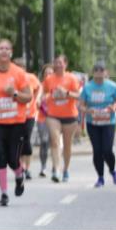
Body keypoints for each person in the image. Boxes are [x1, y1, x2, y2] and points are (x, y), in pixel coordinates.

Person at [0, 40, 32, 206]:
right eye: (0, 48)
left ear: (11, 53)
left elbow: (28, 97)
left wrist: (14, 93)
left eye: (7, 48)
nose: (3, 51)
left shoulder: (19, 73)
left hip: (16, 121)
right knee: (0, 156)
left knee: (13, 159)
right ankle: (3, 193)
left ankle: (19, 174)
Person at [79, 62, 116, 187]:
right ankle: (100, 177)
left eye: (102, 70)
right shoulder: (88, 87)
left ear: (106, 72)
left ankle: (113, 171)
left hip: (108, 122)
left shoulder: (112, 86)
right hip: (92, 122)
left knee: (107, 150)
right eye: (96, 70)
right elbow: (81, 105)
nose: (99, 72)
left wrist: (115, 107)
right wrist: (88, 110)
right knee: (97, 151)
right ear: (93, 72)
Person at [43, 54, 82, 182]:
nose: (58, 65)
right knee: (54, 140)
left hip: (70, 115)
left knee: (67, 145)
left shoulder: (71, 78)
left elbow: (78, 96)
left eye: (60, 62)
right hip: (53, 115)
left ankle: (65, 169)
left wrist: (66, 93)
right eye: (56, 62)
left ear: (65, 64)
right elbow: (44, 94)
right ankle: (56, 169)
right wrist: (51, 95)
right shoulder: (49, 79)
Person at [19, 60, 43, 180]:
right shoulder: (11, 79)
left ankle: (27, 168)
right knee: (18, 140)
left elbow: (40, 88)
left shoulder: (31, 78)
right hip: (16, 115)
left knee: (26, 139)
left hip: (30, 114)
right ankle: (21, 167)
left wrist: (37, 98)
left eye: (21, 68)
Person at [36, 63, 54, 177]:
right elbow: (37, 99)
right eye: (46, 73)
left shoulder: (57, 85)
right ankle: (43, 166)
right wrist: (39, 100)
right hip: (42, 117)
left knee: (54, 143)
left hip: (55, 118)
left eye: (50, 73)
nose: (48, 75)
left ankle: (55, 166)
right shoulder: (41, 86)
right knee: (44, 141)